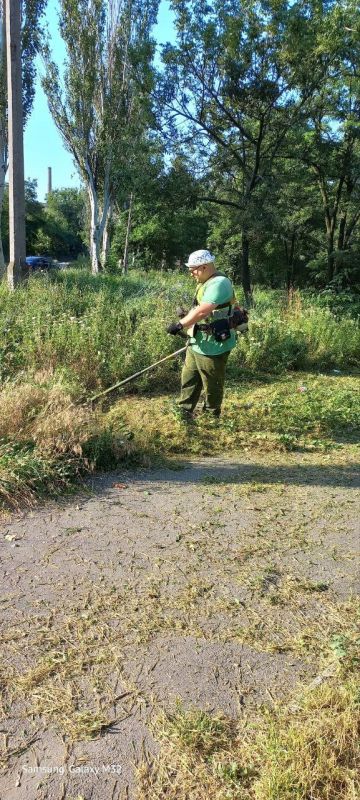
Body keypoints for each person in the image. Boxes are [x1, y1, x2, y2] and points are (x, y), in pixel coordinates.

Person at [166, 249, 237, 420]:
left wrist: (180, 325)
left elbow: (203, 312)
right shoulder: (205, 281)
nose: (191, 274)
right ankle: (184, 410)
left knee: (212, 383)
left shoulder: (219, 283)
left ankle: (212, 416)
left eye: (192, 270)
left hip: (214, 345)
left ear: (204, 267)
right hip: (197, 340)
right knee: (189, 376)